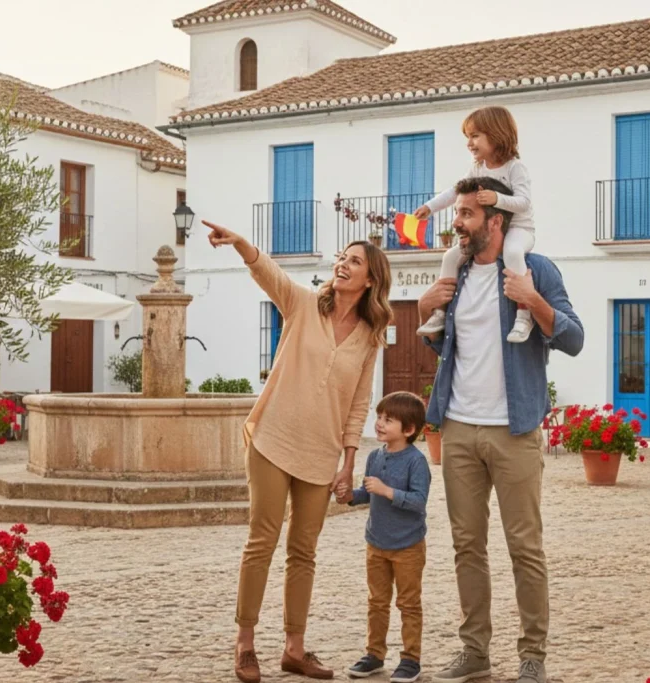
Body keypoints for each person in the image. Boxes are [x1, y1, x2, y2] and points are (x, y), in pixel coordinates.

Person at [204, 220, 393, 683]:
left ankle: (294, 648)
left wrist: (348, 461)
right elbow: (269, 274)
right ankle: (245, 644)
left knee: (304, 551)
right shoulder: (304, 305)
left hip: (321, 451)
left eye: (354, 261)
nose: (343, 265)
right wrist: (242, 244)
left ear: (370, 279)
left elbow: (358, 404)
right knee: (261, 541)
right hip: (273, 438)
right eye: (342, 258)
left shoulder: (370, 336)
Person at [417, 178, 584, 683]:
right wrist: (427, 311)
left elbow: (573, 339)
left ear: (496, 220)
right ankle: (475, 651)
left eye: (467, 213)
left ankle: (532, 655)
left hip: (515, 431)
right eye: (458, 212)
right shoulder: (458, 274)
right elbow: (448, 351)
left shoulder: (534, 269)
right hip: (459, 431)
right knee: (466, 545)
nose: (458, 222)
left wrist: (534, 301)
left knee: (524, 547)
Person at [415, 106, 535, 343]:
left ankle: (524, 314)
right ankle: (440, 313)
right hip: (487, 234)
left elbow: (524, 203)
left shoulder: (514, 167)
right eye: (467, 137)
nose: (469, 143)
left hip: (519, 229)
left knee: (512, 252)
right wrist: (430, 207)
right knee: (449, 257)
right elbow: (456, 191)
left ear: (497, 133)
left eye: (475, 135)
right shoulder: (478, 167)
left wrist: (496, 199)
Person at [337, 391, 431, 683]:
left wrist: (388, 491)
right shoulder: (375, 457)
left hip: (408, 546)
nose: (379, 423)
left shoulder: (417, 462)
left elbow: (419, 501)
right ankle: (374, 655)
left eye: (388, 420)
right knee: (376, 602)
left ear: (409, 430)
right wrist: (350, 496)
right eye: (379, 417)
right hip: (375, 543)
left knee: (408, 603)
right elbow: (368, 492)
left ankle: (410, 659)